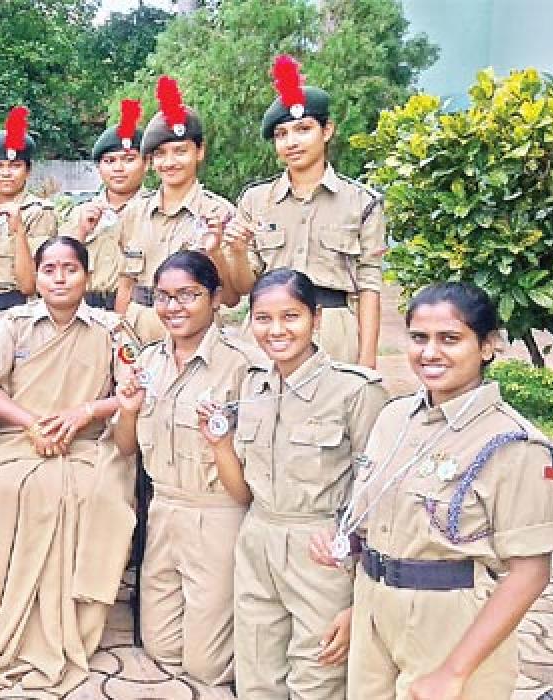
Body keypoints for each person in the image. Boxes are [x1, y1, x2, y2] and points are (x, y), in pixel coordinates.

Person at [309, 282, 553, 699]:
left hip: (451, 628)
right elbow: (384, 525)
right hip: (376, 613)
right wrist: (358, 585)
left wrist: (454, 672)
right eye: (419, 338)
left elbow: (530, 572)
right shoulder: (395, 418)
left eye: (450, 339)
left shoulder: (513, 444)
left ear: (487, 346)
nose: (430, 352)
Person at [199, 268, 387, 699]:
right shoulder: (254, 385)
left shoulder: (354, 390)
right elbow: (244, 491)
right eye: (263, 319)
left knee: (317, 675)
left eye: (291, 316)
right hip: (258, 537)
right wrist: (220, 444)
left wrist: (357, 563)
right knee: (258, 673)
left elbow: (377, 489)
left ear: (315, 319)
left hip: (321, 547)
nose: (276, 330)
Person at [0, 235, 137, 695]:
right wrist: (31, 423)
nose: (60, 278)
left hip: (88, 445)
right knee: (6, 491)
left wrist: (84, 413)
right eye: (49, 270)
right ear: (37, 277)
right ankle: (11, 621)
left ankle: (75, 623)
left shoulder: (112, 329)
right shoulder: (15, 324)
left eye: (70, 269)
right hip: (21, 442)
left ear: (87, 275)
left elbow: (132, 392)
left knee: (97, 494)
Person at [113, 251, 262, 688]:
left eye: (188, 295)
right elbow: (126, 447)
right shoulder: (148, 362)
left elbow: (246, 486)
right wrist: (127, 410)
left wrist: (221, 445)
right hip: (164, 512)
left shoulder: (243, 365)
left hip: (217, 513)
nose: (173, 307)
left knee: (207, 666)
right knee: (160, 648)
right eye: (163, 297)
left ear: (216, 298)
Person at [228, 54, 385, 368]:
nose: (292, 142)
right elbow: (245, 286)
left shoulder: (362, 202)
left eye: (303, 129)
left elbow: (369, 286)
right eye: (281, 134)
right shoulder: (256, 200)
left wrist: (366, 362)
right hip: (268, 330)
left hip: (333, 330)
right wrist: (235, 251)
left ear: (326, 131)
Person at [117, 76, 244, 344]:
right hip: (138, 331)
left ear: (199, 152)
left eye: (180, 151)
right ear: (150, 162)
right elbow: (126, 283)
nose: (170, 162)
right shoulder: (134, 213)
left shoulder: (220, 214)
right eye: (160, 154)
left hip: (196, 336)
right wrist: (118, 337)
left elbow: (231, 298)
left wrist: (216, 251)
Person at [0, 106, 57, 339]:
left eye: (15, 166)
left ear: (28, 171)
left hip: (16, 312)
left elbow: (29, 285)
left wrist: (18, 231)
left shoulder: (39, 213)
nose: (6, 173)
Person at [60, 98, 150, 311]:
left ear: (146, 163)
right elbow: (59, 262)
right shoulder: (80, 212)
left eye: (128, 159)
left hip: (136, 310)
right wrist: (81, 231)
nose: (118, 168)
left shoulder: (154, 211)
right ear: (99, 168)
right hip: (85, 309)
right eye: (109, 161)